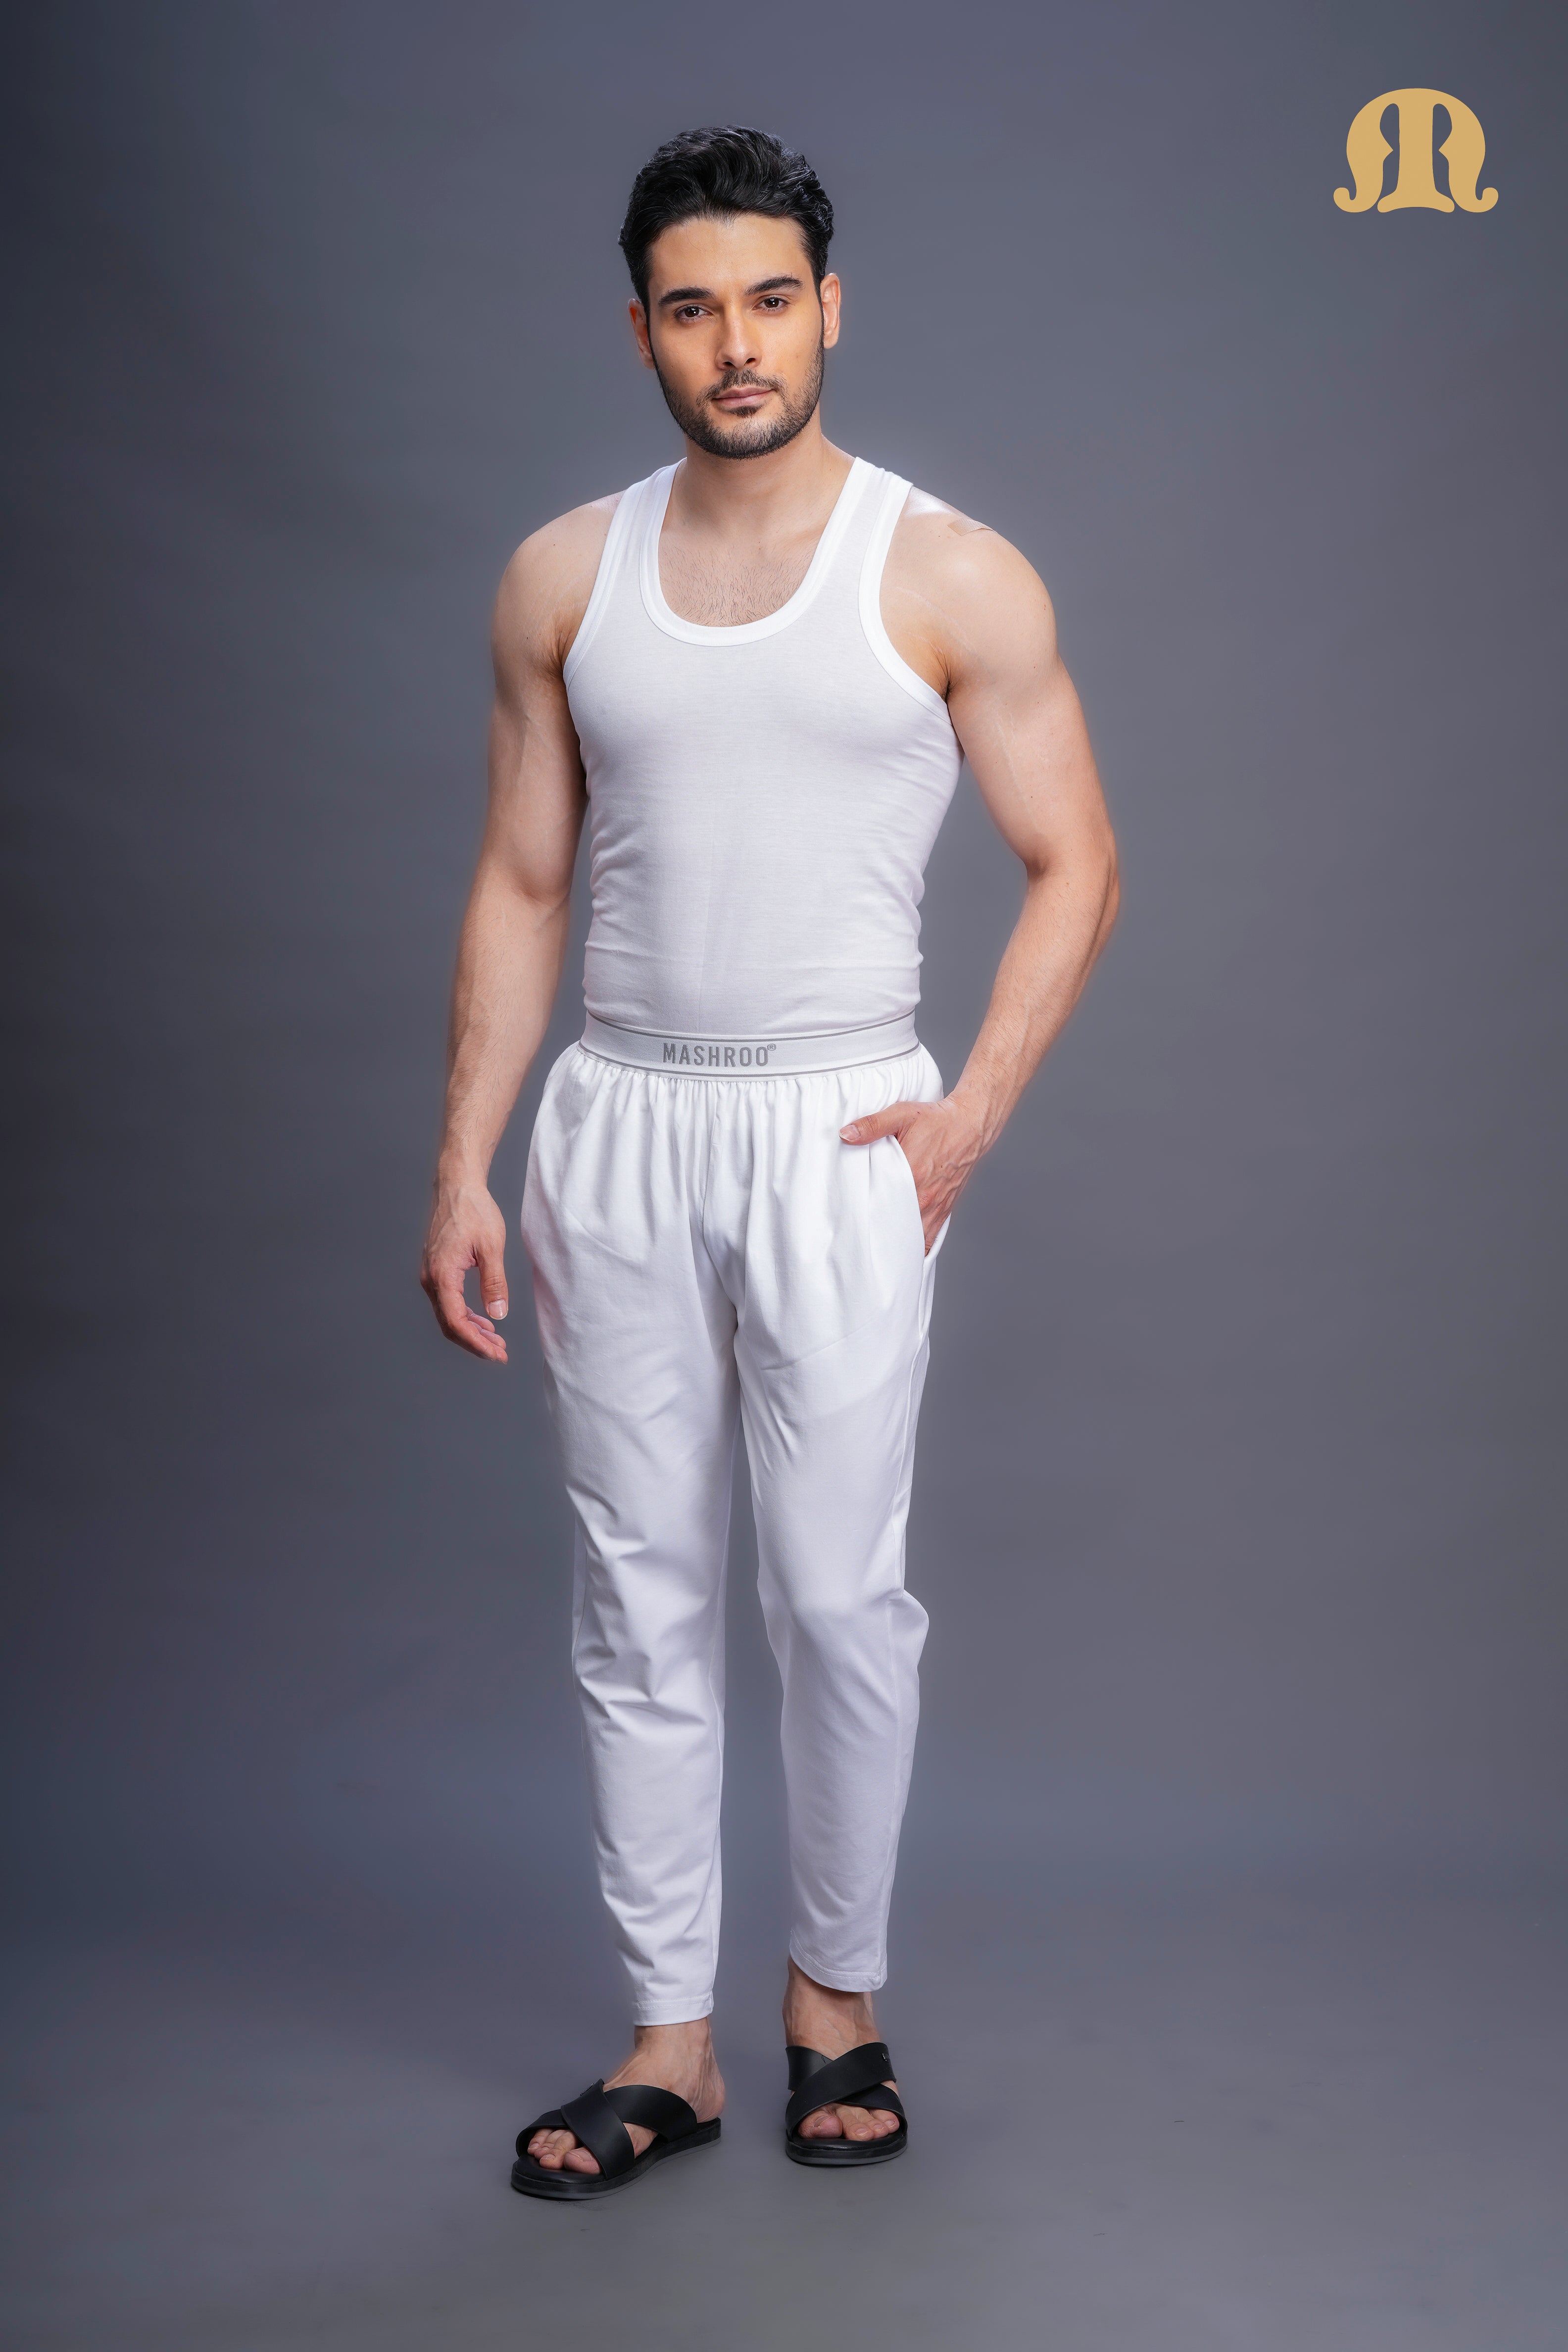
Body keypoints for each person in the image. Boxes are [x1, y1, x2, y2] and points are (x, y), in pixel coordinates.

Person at [420, 125, 1120, 2200]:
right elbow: (521, 881)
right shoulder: (563, 575)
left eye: (773, 300)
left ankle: (835, 2009)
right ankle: (671, 2046)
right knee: (637, 1597)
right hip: (620, 1122)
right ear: (642, 329)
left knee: (835, 1599)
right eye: (694, 307)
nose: (737, 343)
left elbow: (1078, 859)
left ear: (832, 309)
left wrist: (973, 1107)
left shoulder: (951, 573)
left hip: (841, 1124)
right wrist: (464, 1161)